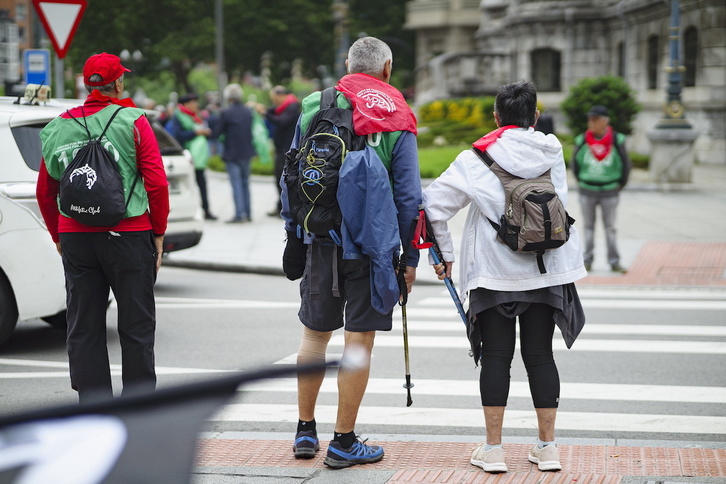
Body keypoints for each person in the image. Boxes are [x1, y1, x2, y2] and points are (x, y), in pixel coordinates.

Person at [422, 81, 587, 473]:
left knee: (496, 357)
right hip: (548, 269)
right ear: (535, 117)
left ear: (496, 117)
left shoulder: (474, 158)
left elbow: (432, 205)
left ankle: (493, 451)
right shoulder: (551, 149)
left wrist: (443, 255)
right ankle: (547, 449)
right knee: (541, 356)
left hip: (494, 274)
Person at [281, 37, 421, 468]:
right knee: (358, 341)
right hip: (371, 247)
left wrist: (293, 232)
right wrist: (408, 258)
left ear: (348, 65)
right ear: (387, 68)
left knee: (314, 337)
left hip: (319, 237)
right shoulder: (397, 114)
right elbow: (408, 195)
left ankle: (306, 432)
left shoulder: (313, 104)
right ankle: (344, 441)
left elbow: (292, 170)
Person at [36, 52, 170, 403]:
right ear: (118, 83)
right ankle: (138, 406)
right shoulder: (133, 120)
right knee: (136, 323)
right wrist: (157, 233)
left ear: (86, 83)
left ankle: (94, 406)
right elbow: (156, 183)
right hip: (128, 235)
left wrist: (58, 235)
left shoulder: (58, 126)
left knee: (83, 323)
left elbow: (45, 191)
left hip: (76, 236)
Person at [572, 105, 631, 273]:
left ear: (605, 121)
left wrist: (620, 184)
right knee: (588, 228)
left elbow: (626, 164)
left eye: (595, 119)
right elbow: (575, 165)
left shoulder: (617, 140)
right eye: (590, 119)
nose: (591, 122)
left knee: (610, 227)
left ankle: (614, 261)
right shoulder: (582, 139)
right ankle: (587, 259)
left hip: (610, 191)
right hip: (587, 189)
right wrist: (581, 181)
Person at [213, 83, 256, 223]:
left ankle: (239, 214)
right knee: (245, 182)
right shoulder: (248, 111)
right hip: (247, 151)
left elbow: (217, 132)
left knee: (236, 183)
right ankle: (248, 213)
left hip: (232, 152)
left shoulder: (226, 112)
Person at [171, 93, 217, 220]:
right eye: (193, 102)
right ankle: (188, 210)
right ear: (186, 104)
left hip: (199, 158)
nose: (195, 105)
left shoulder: (195, 116)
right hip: (187, 155)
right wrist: (196, 132)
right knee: (188, 186)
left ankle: (206, 210)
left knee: (202, 184)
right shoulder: (178, 115)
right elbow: (178, 135)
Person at [259, 85, 300, 216]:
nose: (274, 102)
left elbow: (282, 121)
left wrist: (265, 113)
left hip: (287, 149)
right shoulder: (284, 107)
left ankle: (286, 208)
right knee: (278, 178)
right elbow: (273, 111)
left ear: (281, 95)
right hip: (281, 148)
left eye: (275, 99)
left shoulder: (292, 107)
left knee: (284, 179)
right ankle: (280, 206)